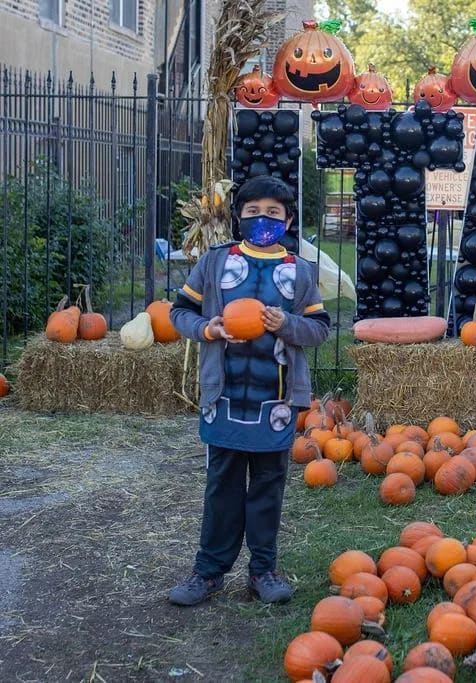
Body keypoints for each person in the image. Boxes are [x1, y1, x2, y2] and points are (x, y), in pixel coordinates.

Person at [167, 176, 331, 607]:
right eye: (253, 211)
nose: (263, 219)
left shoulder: (300, 271)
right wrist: (207, 328)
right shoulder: (215, 263)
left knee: (267, 487)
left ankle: (262, 571)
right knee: (221, 486)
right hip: (223, 399)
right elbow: (179, 312)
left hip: (275, 402)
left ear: (288, 221)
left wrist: (287, 324)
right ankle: (208, 572)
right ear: (238, 216)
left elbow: (319, 328)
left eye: (273, 213)